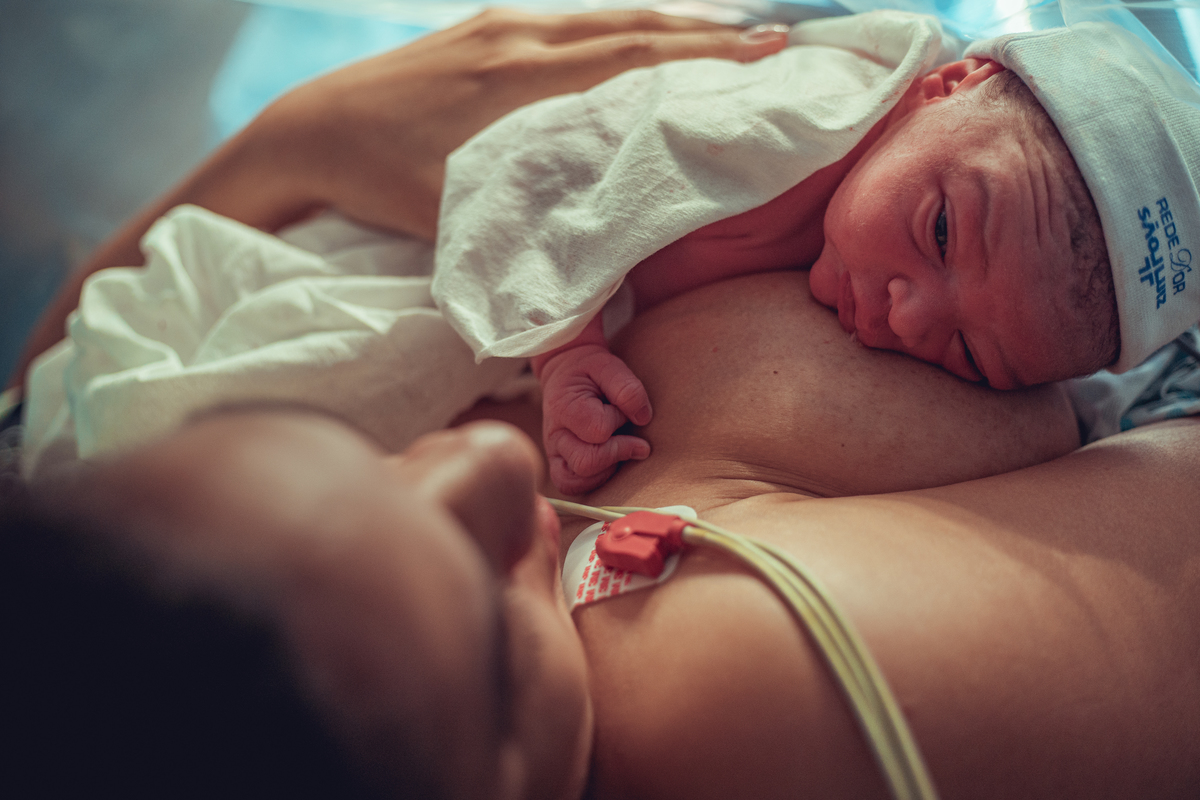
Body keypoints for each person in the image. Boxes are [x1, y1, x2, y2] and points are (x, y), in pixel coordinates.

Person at [7, 273, 1199, 796]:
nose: (487, 456)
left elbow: (29, 406)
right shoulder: (723, 710)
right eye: (492, 637)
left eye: (360, 453)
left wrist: (300, 136)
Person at [431, 12, 1200, 494]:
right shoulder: (786, 125)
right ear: (949, 85)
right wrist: (565, 347)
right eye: (941, 231)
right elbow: (539, 168)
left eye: (970, 353)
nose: (910, 312)